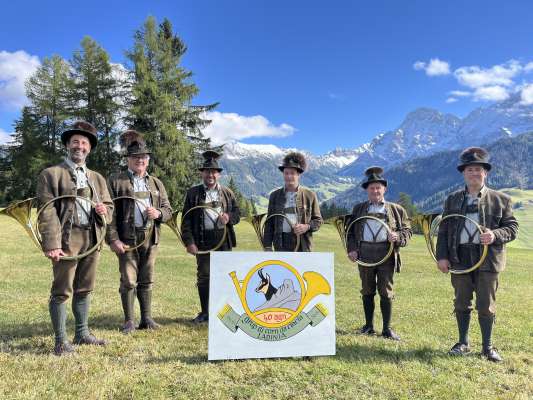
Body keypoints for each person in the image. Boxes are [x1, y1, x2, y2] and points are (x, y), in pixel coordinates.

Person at [37, 120, 113, 355]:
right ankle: (60, 342)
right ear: (68, 145)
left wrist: (103, 211)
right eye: (75, 142)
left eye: (84, 143)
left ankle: (82, 334)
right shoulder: (51, 174)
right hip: (67, 239)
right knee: (62, 290)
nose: (79, 146)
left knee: (85, 288)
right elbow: (46, 210)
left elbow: (109, 206)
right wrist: (52, 244)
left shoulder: (97, 178)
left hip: (92, 238)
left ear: (89, 148)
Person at [436, 147, 518, 362]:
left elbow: (512, 228)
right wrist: (442, 256)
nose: (474, 173)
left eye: (478, 169)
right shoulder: (452, 200)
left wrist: (494, 235)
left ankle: (487, 347)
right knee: (461, 302)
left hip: (488, 260)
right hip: (458, 257)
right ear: (463, 173)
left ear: (486, 173)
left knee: (486, 305)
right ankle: (462, 343)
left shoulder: (502, 199)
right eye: (470, 169)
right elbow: (443, 230)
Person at [106, 130, 172, 334]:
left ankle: (147, 319)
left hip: (150, 239)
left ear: (148, 160)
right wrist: (113, 240)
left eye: (143, 157)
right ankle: (129, 321)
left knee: (147, 279)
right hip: (126, 240)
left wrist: (159, 213)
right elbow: (108, 214)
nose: (139, 160)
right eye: (135, 157)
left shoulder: (156, 183)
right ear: (128, 159)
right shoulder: (116, 181)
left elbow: (169, 211)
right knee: (128, 280)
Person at [346, 166, 412, 341]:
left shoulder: (397, 210)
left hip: (387, 254)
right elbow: (350, 232)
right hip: (364, 253)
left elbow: (407, 231)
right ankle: (368, 326)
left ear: (384, 189)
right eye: (372, 188)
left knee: (386, 291)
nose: (375, 190)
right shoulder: (359, 208)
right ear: (367, 190)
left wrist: (398, 236)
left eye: (378, 187)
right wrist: (352, 249)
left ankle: (386, 329)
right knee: (367, 290)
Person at [181, 150, 240, 323]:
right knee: (204, 277)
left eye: (214, 172)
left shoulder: (228, 193)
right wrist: (189, 242)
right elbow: (186, 221)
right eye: (207, 171)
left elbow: (237, 213)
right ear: (202, 173)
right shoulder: (193, 193)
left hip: (224, 241)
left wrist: (229, 217)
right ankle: (205, 312)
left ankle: (222, 312)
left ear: (219, 174)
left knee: (224, 276)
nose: (210, 175)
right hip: (202, 242)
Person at [262, 152, 322, 252]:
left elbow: (318, 221)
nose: (289, 176)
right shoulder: (274, 196)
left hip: (303, 245)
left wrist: (306, 227)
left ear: (298, 174)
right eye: (286, 173)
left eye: (292, 173)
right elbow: (269, 223)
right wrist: (267, 246)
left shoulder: (310, 195)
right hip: (280, 244)